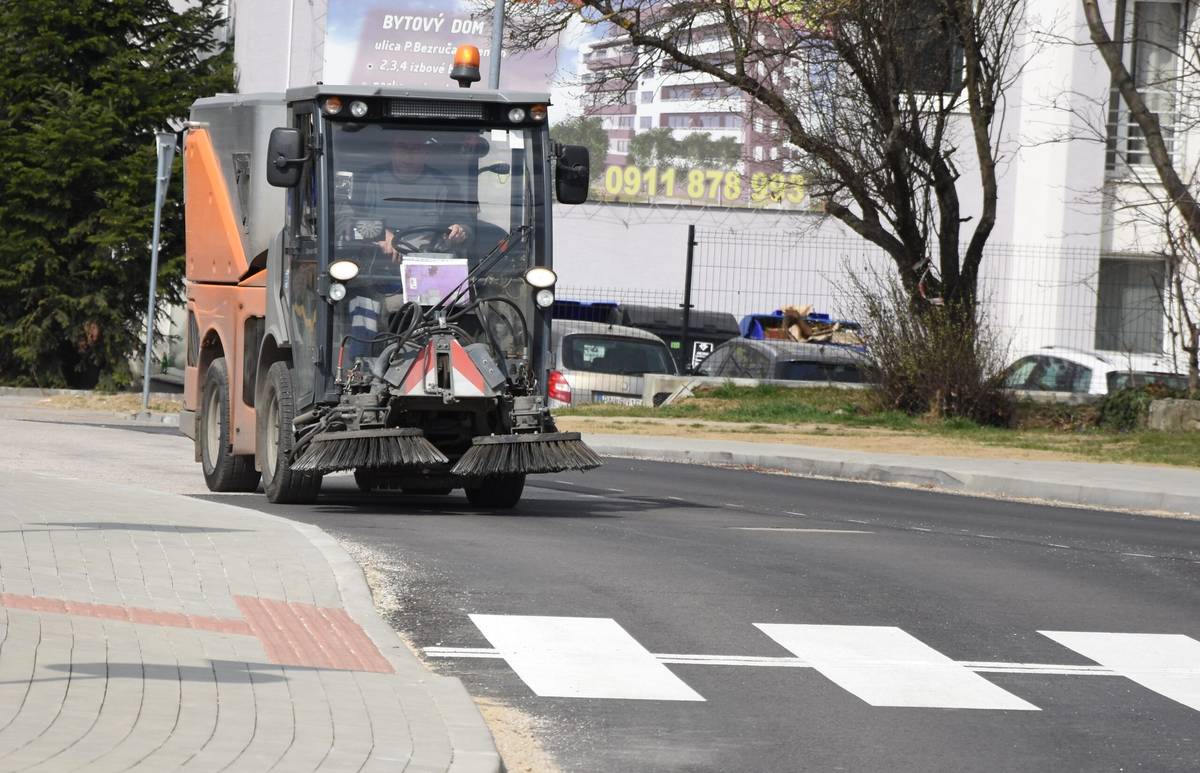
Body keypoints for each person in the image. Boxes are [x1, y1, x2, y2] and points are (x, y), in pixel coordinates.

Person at [354, 132, 474, 260]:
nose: (408, 154)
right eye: (402, 146)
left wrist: (460, 230)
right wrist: (379, 234)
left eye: (416, 148)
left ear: (426, 152)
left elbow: (467, 226)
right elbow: (344, 219)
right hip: (376, 263)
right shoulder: (368, 179)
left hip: (429, 264)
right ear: (392, 150)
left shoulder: (446, 185)